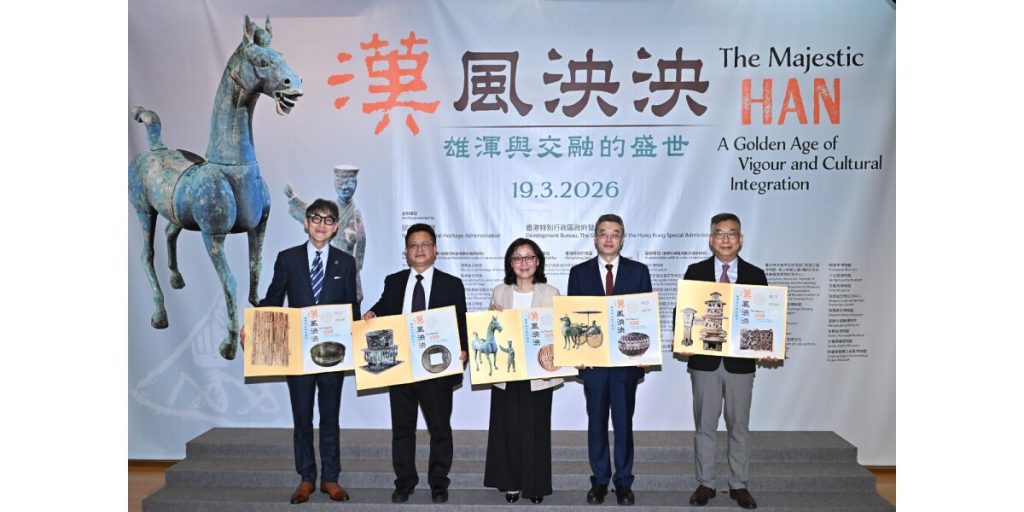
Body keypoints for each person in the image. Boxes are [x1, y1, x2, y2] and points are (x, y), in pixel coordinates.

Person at [247, 199, 360, 504]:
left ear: (336, 228)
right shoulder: (288, 259)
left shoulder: (345, 262)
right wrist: (254, 327)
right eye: (316, 218)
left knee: (330, 418)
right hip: (297, 353)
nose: (322, 224)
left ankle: (330, 478)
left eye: (328, 219)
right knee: (302, 417)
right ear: (306, 223)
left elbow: (352, 308)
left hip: (333, 354)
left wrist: (362, 332)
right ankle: (307, 478)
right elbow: (273, 300)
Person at [361, 223, 468, 504]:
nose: (419, 250)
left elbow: (462, 323)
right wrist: (372, 314)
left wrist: (464, 350)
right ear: (406, 252)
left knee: (440, 429)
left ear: (435, 250)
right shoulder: (394, 281)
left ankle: (438, 483)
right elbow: (383, 307)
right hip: (402, 369)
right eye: (413, 245)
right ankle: (405, 482)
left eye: (425, 244)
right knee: (402, 430)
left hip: (437, 370)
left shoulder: (452, 284)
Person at [681, 213, 771, 510]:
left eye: (731, 234)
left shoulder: (756, 275)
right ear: (711, 239)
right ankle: (706, 482)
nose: (725, 239)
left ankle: (739, 484)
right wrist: (683, 341)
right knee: (705, 426)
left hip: (739, 364)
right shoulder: (695, 271)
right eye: (719, 234)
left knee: (739, 426)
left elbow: (765, 317)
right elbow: (684, 312)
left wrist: (767, 343)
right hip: (704, 363)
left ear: (740, 239)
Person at [567, 214, 652, 506]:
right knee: (597, 424)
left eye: (615, 234)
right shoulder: (579, 273)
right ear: (595, 238)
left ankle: (624, 482)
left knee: (624, 424)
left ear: (622, 239)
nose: (608, 239)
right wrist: (577, 356)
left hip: (626, 364)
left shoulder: (638, 271)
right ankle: (600, 480)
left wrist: (646, 352)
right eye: (603, 233)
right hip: (594, 366)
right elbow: (574, 318)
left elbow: (645, 316)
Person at [483, 238, 562, 504]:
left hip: (539, 374)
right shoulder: (500, 292)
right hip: (507, 373)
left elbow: (558, 334)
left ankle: (535, 484)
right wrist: (491, 317)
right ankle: (511, 483)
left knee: (536, 430)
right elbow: (490, 331)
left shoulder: (551, 293)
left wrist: (554, 363)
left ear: (538, 261)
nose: (524, 263)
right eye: (518, 258)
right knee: (507, 429)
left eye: (529, 257)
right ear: (510, 263)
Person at [285, 165, 367, 303]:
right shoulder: (329, 212)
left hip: (347, 270)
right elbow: (309, 213)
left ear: (356, 184)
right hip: (325, 268)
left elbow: (361, 245)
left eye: (349, 183)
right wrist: (293, 198)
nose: (344, 187)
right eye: (340, 183)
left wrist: (354, 239)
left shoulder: (355, 214)